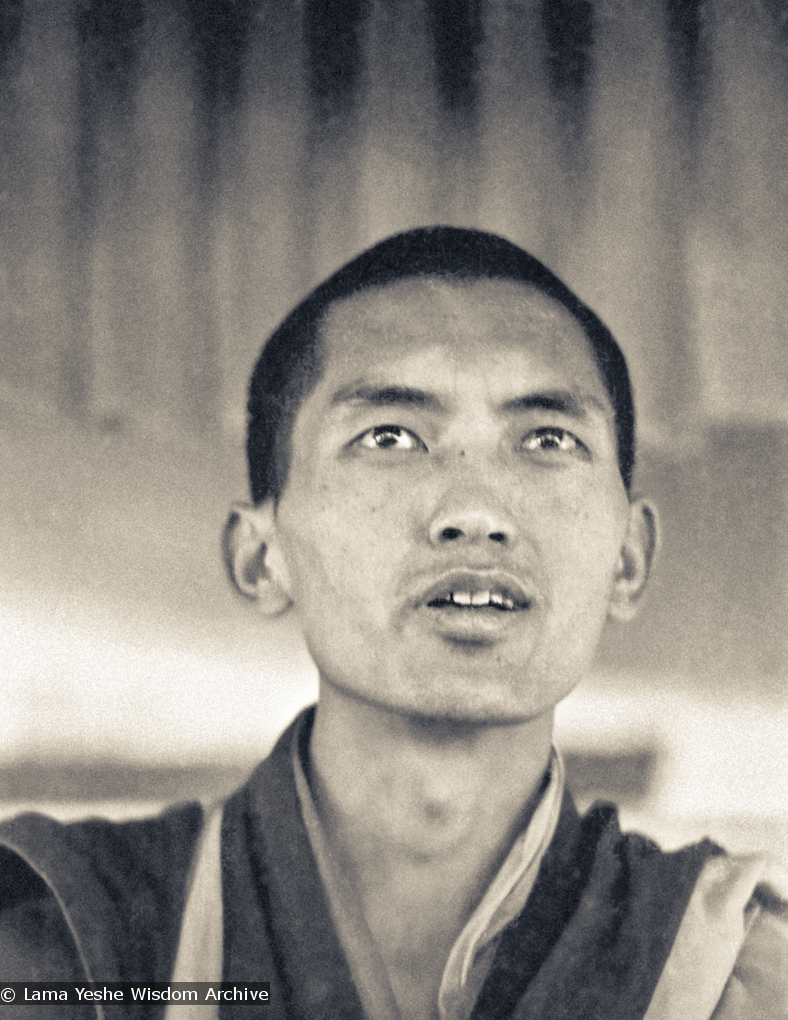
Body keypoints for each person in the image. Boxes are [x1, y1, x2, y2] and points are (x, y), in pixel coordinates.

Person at [1, 227, 785, 1018]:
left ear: (629, 558)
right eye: (391, 438)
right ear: (261, 557)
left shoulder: (730, 967)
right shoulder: (78, 942)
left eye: (548, 439)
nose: (476, 513)